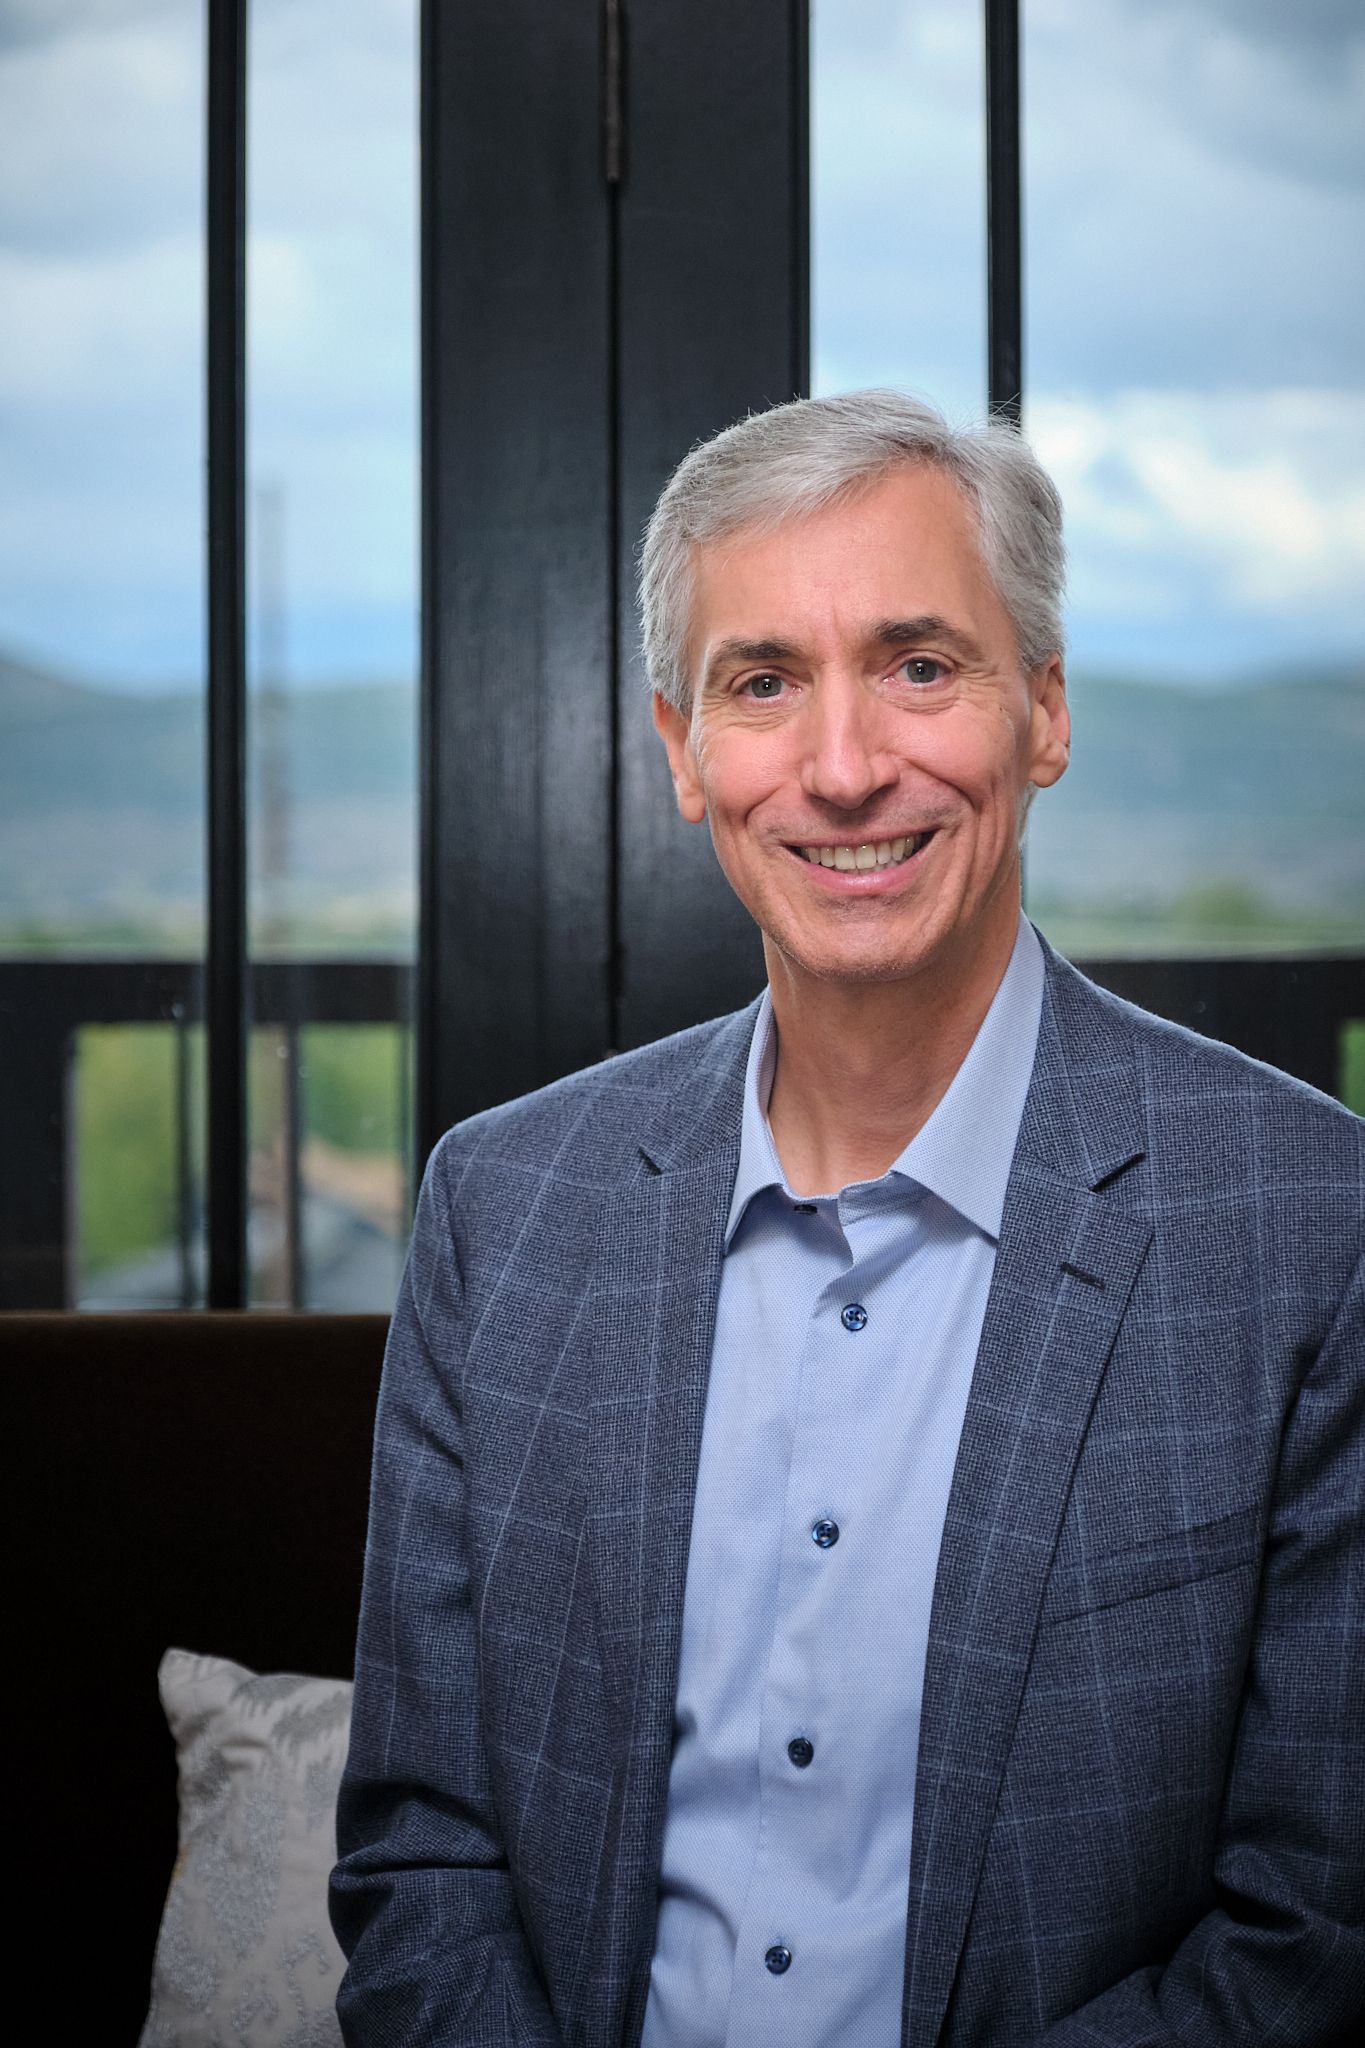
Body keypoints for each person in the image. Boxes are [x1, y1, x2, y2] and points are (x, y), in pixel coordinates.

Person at [329, 391, 1364, 2045]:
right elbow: (422, 1856)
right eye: (762, 683)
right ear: (679, 751)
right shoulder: (502, 1211)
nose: (840, 767)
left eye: (918, 665)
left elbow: (1314, 1936)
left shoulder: (1311, 1228)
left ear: (1042, 710)